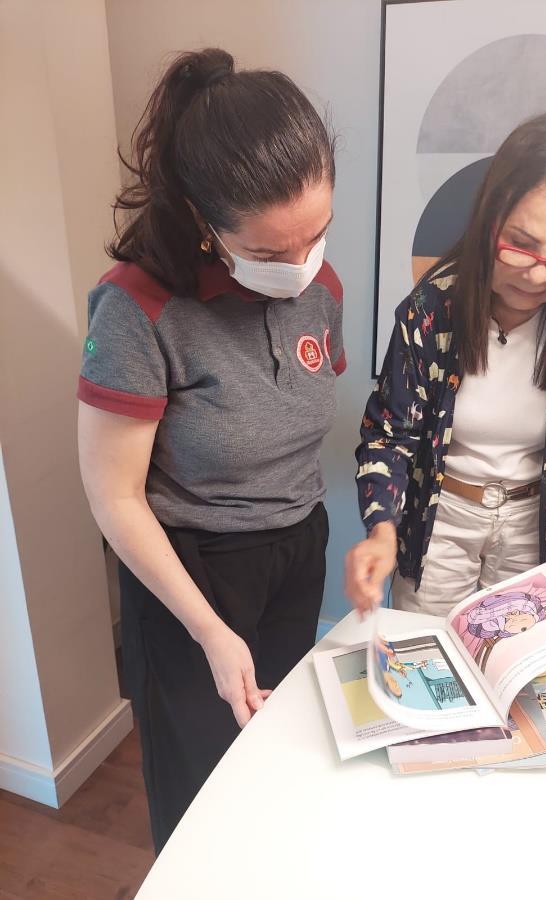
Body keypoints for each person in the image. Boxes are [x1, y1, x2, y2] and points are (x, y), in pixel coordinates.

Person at [77, 48, 344, 852]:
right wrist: (207, 629)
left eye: (315, 236)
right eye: (268, 253)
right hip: (189, 568)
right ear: (202, 221)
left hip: (295, 547)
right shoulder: (136, 310)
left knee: (274, 752)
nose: (299, 268)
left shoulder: (319, 289)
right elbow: (114, 495)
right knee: (198, 780)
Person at [345, 113, 546, 617]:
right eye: (521, 244)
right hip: (441, 520)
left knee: (515, 650)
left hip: (532, 521)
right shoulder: (433, 307)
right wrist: (382, 531)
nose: (538, 274)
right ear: (490, 221)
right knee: (429, 650)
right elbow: (390, 436)